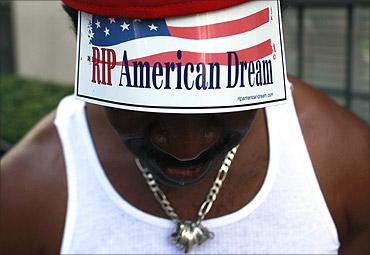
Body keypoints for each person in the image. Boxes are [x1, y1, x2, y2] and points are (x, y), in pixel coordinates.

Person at [1, 0, 369, 254]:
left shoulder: (348, 165)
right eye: (141, 97)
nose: (186, 145)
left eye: (223, 86)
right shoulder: (25, 197)